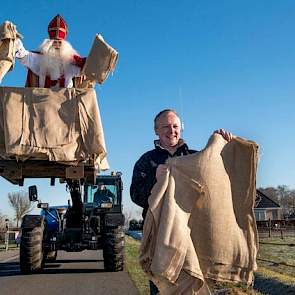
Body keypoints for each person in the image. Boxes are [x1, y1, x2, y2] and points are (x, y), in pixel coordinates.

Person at [130, 109, 232, 295]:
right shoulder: (146, 161)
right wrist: (155, 178)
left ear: (181, 128)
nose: (172, 130)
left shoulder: (195, 158)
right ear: (156, 131)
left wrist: (224, 147)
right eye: (166, 127)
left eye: (175, 126)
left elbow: (218, 181)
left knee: (195, 286)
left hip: (193, 236)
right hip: (160, 237)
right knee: (163, 283)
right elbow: (136, 196)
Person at [14, 14, 86, 88]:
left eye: (60, 42)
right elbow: (24, 56)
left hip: (65, 98)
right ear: (48, 44)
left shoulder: (70, 62)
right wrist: (15, 40)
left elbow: (86, 69)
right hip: (41, 97)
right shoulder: (40, 58)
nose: (57, 45)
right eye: (54, 42)